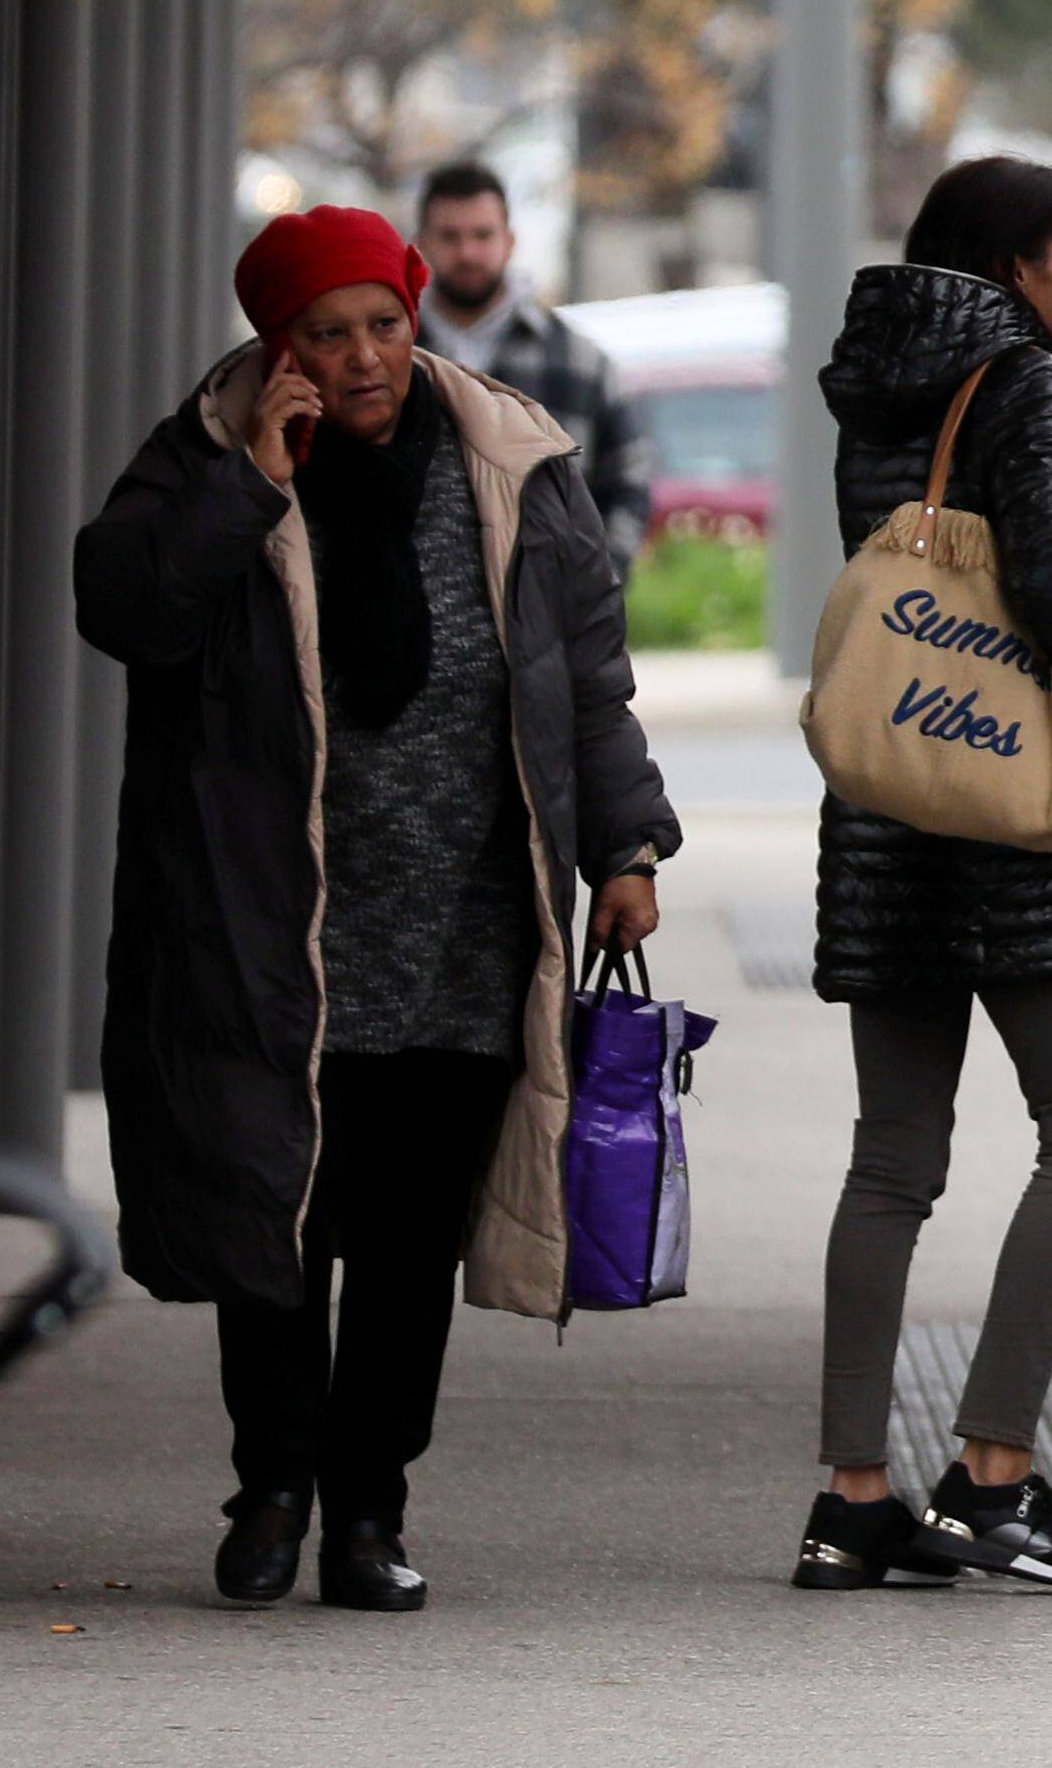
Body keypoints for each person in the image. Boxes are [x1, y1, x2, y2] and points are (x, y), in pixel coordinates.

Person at [76, 204, 675, 1618]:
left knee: (407, 1237)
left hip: (465, 917)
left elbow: (585, 670)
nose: (362, 357)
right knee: (277, 1217)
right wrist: (253, 477)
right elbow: (131, 608)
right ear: (279, 343)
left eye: (384, 325)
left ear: (419, 319)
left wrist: (627, 843)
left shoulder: (513, 456)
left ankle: (369, 1507)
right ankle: (273, 1485)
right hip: (280, 917)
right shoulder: (206, 454)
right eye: (327, 333)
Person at [797, 155, 1052, 1595]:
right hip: (1011, 812)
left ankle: (850, 1497)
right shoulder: (1030, 385)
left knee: (893, 1155)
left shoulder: (875, 375)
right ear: (1023, 266)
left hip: (893, 799)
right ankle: (991, 1476)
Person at [410, 159, 653, 564]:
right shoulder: (392, 357)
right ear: (421, 243)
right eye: (450, 236)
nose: (467, 252)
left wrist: (595, 589)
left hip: (551, 611)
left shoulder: (578, 363)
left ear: (509, 241)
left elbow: (630, 480)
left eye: (482, 235)